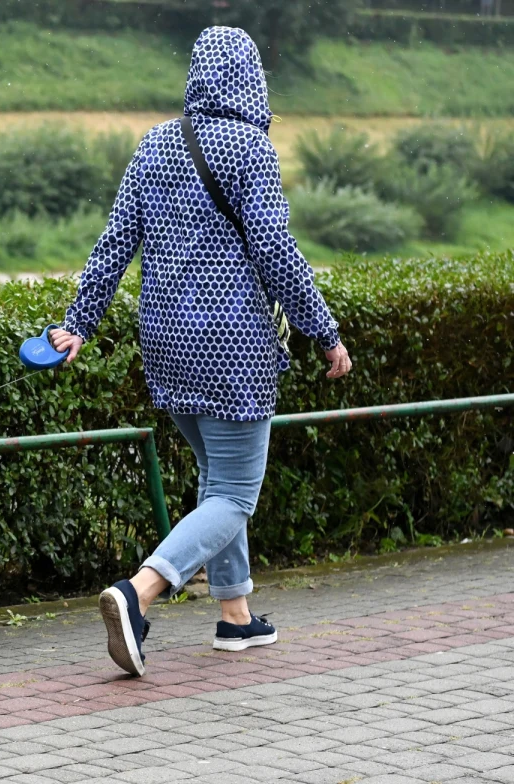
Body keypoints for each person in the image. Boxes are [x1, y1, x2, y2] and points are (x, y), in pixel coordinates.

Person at [50, 26, 352, 677]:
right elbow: (276, 250)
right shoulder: (252, 149)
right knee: (237, 495)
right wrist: (324, 331)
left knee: (218, 483)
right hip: (233, 346)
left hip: (164, 344)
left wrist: (78, 323)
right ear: (252, 81)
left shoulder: (155, 143)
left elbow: (114, 242)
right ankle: (139, 593)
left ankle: (236, 619)